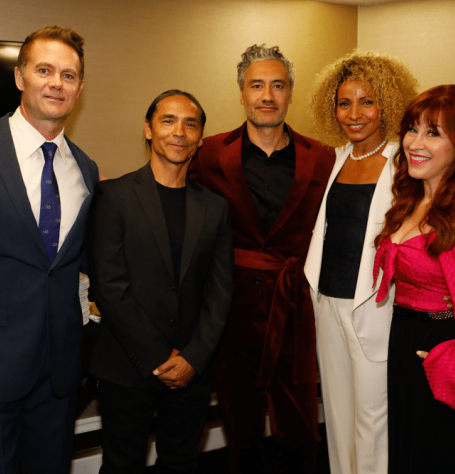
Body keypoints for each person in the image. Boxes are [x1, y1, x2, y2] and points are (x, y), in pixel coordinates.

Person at [188, 44, 335, 474]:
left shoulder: (322, 157)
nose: (267, 95)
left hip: (295, 308)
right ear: (241, 94)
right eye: (257, 86)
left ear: (290, 94)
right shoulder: (210, 153)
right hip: (228, 309)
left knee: (302, 431)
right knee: (241, 429)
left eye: (277, 85)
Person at [88, 90, 233, 474]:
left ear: (201, 137)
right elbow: (109, 287)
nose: (179, 132)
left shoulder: (215, 208)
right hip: (126, 365)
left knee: (182, 462)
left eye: (191, 124)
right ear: (148, 130)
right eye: (168, 120)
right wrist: (160, 357)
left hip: (192, 369)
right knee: (122, 464)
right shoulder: (113, 195)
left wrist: (192, 359)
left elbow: (220, 294)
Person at [0, 26, 99, 473]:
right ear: (19, 77)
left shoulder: (86, 169)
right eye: (44, 70)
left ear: (80, 88)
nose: (56, 83)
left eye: (68, 75)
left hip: (59, 373)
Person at [304, 51, 418, 474]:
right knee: (336, 414)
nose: (354, 114)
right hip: (328, 303)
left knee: (372, 419)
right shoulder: (332, 161)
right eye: (344, 103)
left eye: (366, 101)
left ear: (386, 104)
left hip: (377, 308)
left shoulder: (405, 163)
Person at [373, 84, 455, 474]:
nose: (414, 142)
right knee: (404, 451)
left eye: (433, 132)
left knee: (434, 455)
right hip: (403, 340)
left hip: (440, 348)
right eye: (412, 129)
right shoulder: (411, 198)